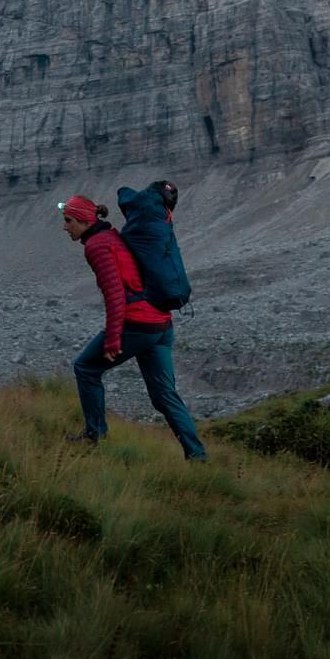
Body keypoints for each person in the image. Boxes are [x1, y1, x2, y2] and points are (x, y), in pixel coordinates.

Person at [58, 194, 207, 460]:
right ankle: (197, 456)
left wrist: (114, 338)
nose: (64, 227)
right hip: (161, 323)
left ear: (83, 220)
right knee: (164, 395)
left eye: (68, 221)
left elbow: (115, 294)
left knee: (85, 368)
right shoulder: (113, 236)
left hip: (137, 324)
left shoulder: (97, 246)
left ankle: (94, 436)